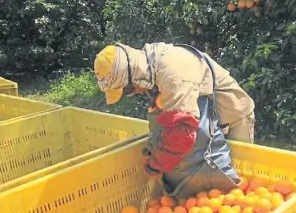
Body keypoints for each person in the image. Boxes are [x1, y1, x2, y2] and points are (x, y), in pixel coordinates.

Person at [93, 42, 255, 181]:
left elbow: (182, 132)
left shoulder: (173, 75)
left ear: (133, 74)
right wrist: (153, 145)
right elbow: (165, 116)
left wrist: (156, 164)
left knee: (243, 176)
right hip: (210, 122)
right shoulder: (150, 67)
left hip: (234, 115)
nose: (134, 92)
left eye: (128, 90)